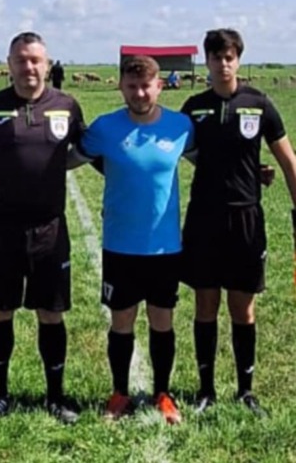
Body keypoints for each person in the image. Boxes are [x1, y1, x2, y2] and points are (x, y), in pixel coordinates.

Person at [0, 32, 84, 424]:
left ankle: (55, 396)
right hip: (1, 229)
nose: (29, 67)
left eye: (35, 60)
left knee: (51, 313)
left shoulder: (67, 106)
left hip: (50, 230)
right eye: (21, 60)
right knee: (0, 311)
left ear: (47, 64)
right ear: (9, 64)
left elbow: (89, 150)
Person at [68, 55, 194, 424]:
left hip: (165, 246)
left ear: (160, 86)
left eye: (146, 86)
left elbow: (213, 162)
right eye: (132, 86)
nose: (139, 93)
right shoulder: (105, 128)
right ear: (121, 86)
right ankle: (120, 392)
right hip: (120, 245)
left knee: (162, 320)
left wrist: (252, 172)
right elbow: (67, 159)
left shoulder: (180, 126)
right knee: (121, 320)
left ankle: (163, 394)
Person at [181, 28, 296, 415]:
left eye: (229, 57)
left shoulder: (259, 104)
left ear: (238, 60)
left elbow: (288, 161)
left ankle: (246, 391)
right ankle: (206, 390)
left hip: (246, 218)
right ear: (207, 61)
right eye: (216, 57)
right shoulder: (194, 107)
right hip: (204, 218)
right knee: (205, 305)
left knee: (242, 309)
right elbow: (180, 151)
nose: (223, 64)